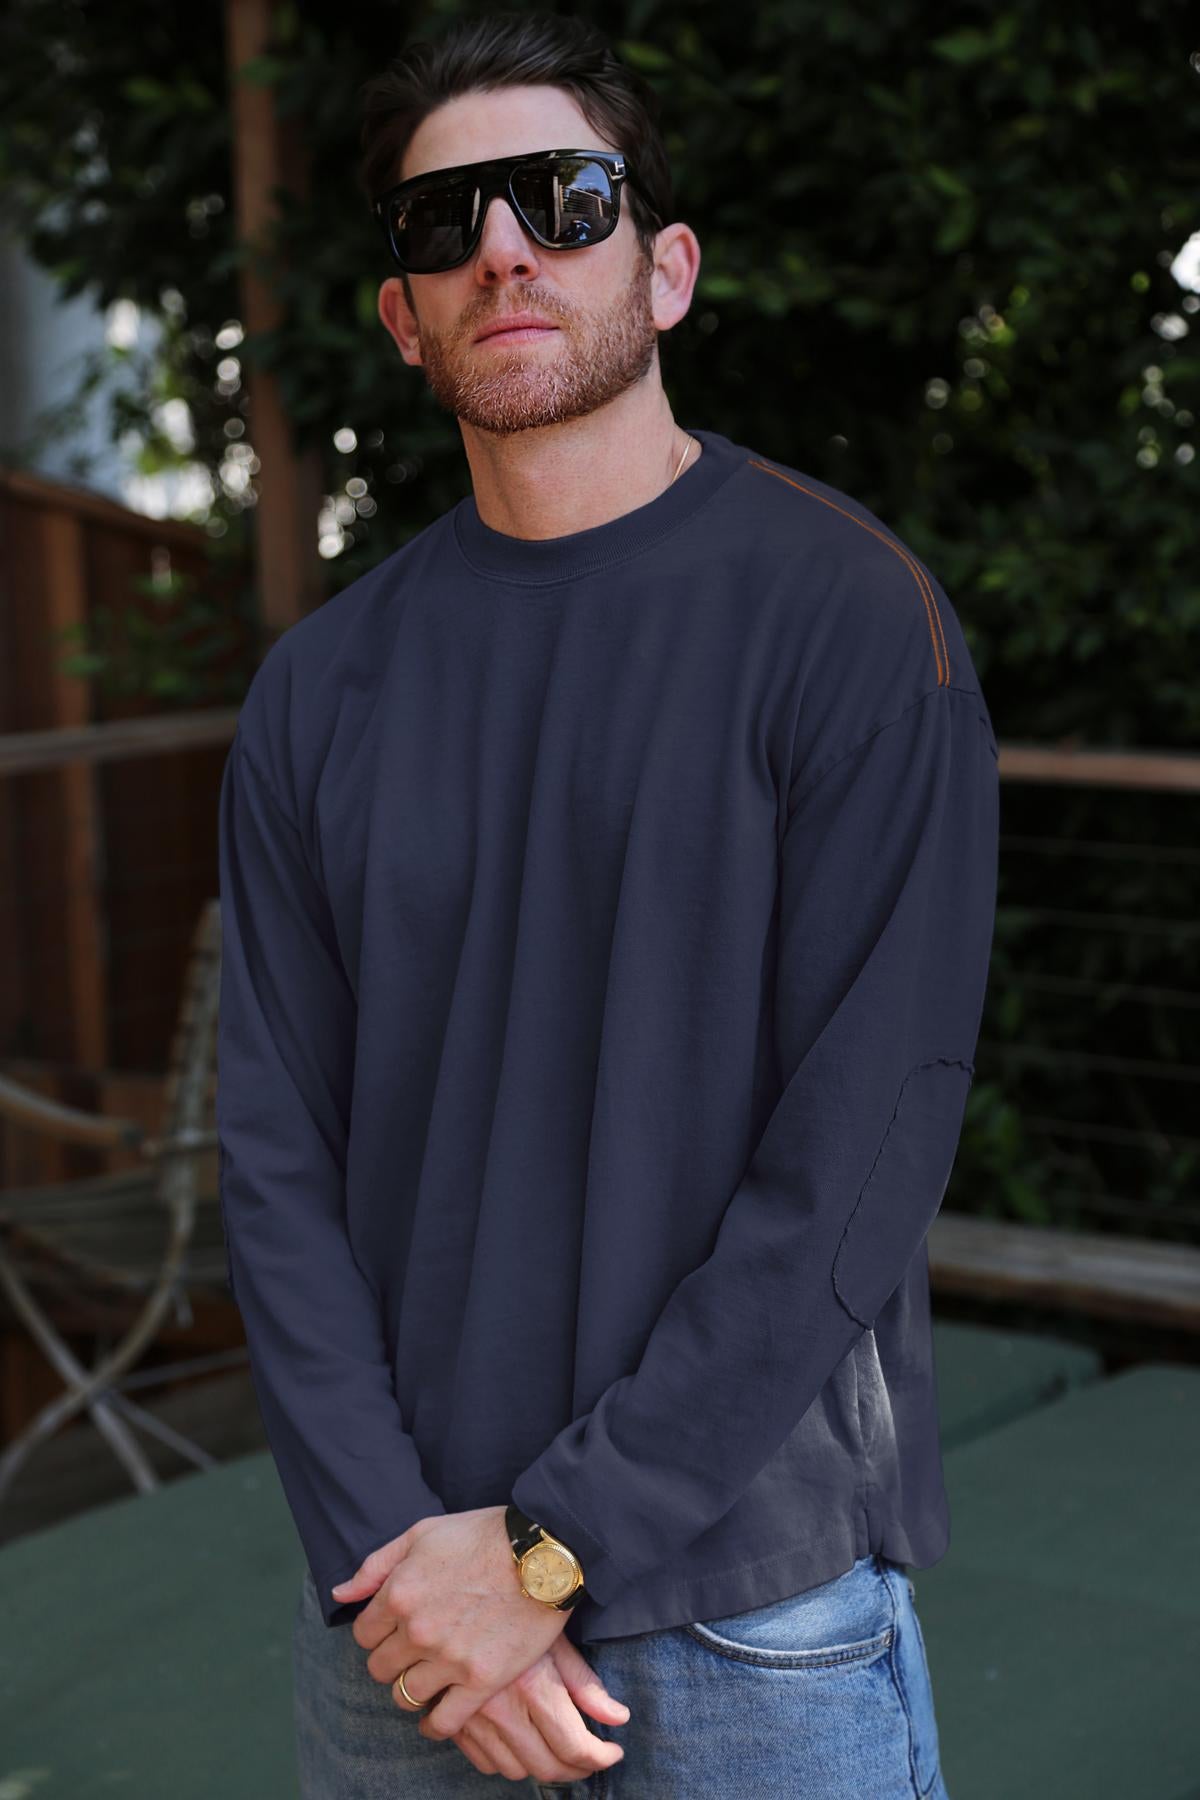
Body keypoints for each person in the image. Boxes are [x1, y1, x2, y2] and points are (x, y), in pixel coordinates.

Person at [215, 11, 998, 1797]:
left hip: (744, 1616)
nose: (503, 247)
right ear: (404, 316)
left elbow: (863, 1156)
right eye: (443, 224)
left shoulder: (857, 625)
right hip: (399, 1624)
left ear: (667, 268)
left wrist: (549, 1552)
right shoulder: (321, 692)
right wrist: (408, 1561)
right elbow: (273, 1159)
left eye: (560, 199)